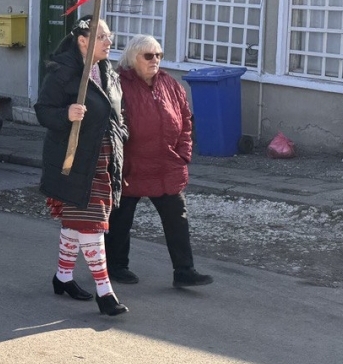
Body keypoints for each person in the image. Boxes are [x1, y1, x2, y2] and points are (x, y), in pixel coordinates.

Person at [35, 16, 129, 316]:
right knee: (91, 225)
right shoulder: (62, 72)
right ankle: (105, 292)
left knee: (78, 223)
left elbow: (117, 113)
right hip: (73, 161)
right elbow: (43, 112)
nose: (109, 42)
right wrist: (67, 114)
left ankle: (62, 277)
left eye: (109, 35)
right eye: (102, 36)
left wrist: (121, 132)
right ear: (82, 41)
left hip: (103, 159)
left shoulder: (107, 72)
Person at [107, 35, 213, 288]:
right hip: (131, 165)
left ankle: (184, 270)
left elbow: (186, 121)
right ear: (134, 58)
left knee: (178, 218)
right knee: (121, 220)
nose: (155, 60)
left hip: (166, 165)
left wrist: (183, 154)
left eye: (159, 55)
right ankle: (116, 267)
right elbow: (109, 123)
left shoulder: (169, 84)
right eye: (148, 55)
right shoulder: (119, 84)